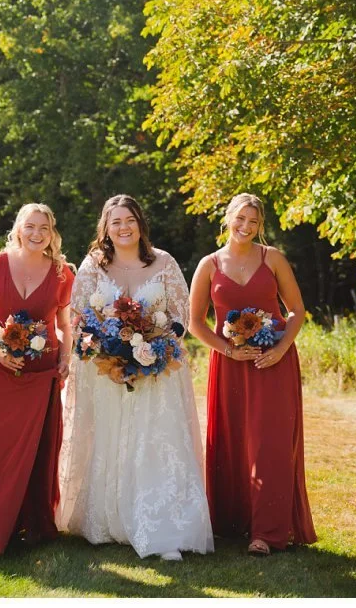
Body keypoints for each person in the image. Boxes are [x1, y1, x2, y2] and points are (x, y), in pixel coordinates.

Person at [57, 194, 213, 561]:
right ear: (106, 228)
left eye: (129, 220)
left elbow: (181, 315)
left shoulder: (164, 262)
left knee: (154, 440)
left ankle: (162, 527)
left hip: (157, 371)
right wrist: (107, 350)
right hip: (106, 373)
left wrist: (154, 348)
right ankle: (108, 521)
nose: (123, 227)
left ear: (140, 224)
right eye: (115, 222)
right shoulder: (93, 264)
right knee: (111, 440)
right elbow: (77, 317)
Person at [188, 193, 317, 556]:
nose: (245, 226)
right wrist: (228, 349)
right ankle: (232, 523)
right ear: (227, 218)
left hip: (273, 364)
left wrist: (279, 350)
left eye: (253, 221)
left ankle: (268, 532)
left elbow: (296, 310)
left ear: (260, 225)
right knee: (234, 444)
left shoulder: (272, 258)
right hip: (230, 366)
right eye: (240, 218)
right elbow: (195, 322)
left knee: (271, 444)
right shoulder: (209, 265)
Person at [0, 203, 75, 555]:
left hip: (41, 371)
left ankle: (32, 524)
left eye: (44, 227)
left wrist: (64, 357)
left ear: (52, 232)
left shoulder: (61, 273)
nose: (37, 233)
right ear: (18, 228)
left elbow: (64, 324)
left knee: (38, 446)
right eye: (30, 226)